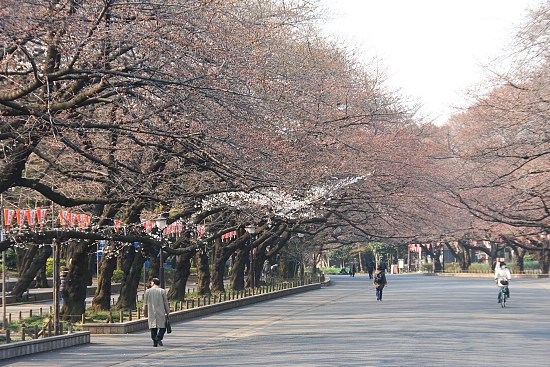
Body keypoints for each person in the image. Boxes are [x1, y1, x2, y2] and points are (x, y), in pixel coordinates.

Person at [142, 277, 170, 347]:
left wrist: (144, 311)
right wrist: (168, 312)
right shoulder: (162, 291)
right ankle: (159, 337)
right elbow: (165, 303)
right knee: (162, 327)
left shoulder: (148, 291)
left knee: (153, 327)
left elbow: (145, 303)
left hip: (151, 311)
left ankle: (155, 342)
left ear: (153, 283)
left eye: (151, 282)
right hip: (160, 311)